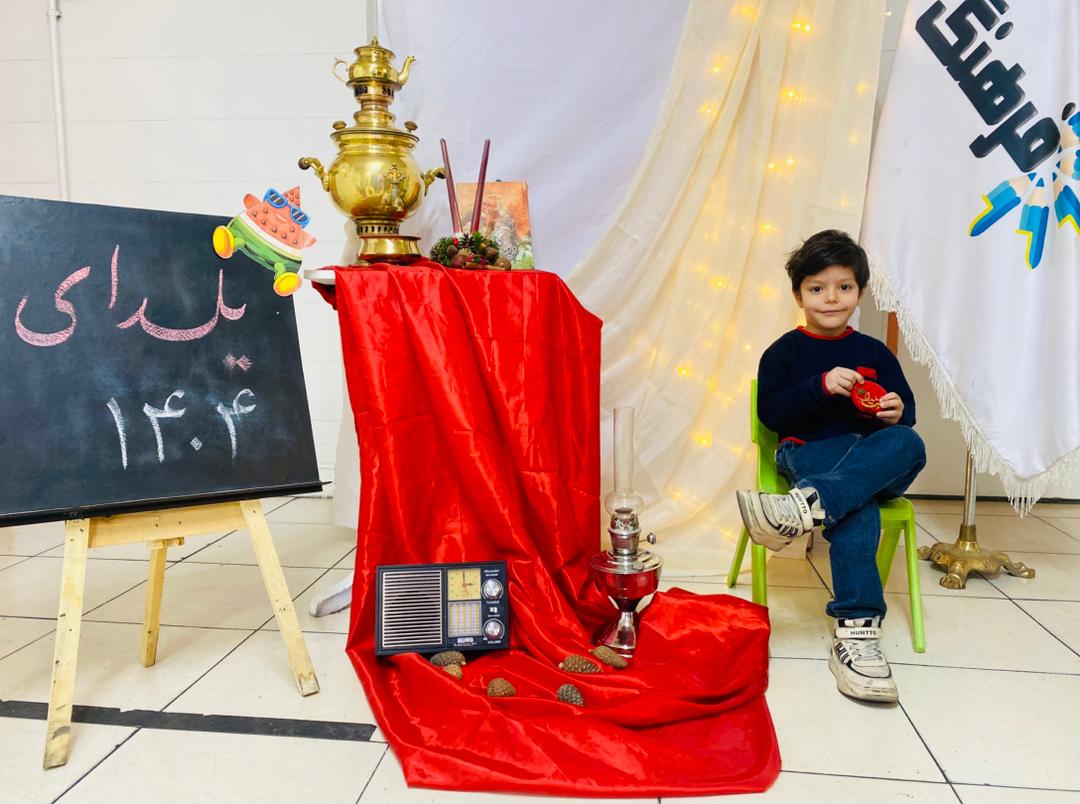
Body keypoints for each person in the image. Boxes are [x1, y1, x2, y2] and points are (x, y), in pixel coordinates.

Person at [736, 229, 925, 704]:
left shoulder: (875, 352)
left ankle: (804, 508)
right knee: (857, 508)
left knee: (908, 442)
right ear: (798, 294)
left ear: (860, 291)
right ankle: (857, 635)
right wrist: (819, 386)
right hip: (810, 451)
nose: (831, 298)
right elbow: (772, 415)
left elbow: (906, 409)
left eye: (843, 287)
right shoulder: (784, 352)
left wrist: (895, 411)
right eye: (817, 288)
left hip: (873, 457)